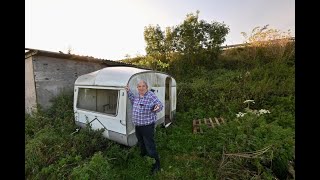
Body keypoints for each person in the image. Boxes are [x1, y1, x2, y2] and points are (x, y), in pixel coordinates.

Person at [125, 80, 163, 175]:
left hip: (147, 126)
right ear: (137, 88)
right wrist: (128, 91)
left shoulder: (150, 95)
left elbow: (159, 104)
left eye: (143, 86)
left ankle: (156, 165)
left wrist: (157, 107)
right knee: (141, 142)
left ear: (146, 87)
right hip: (138, 126)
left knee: (150, 145)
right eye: (139, 86)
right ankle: (144, 156)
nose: (141, 88)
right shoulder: (138, 95)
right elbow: (133, 100)